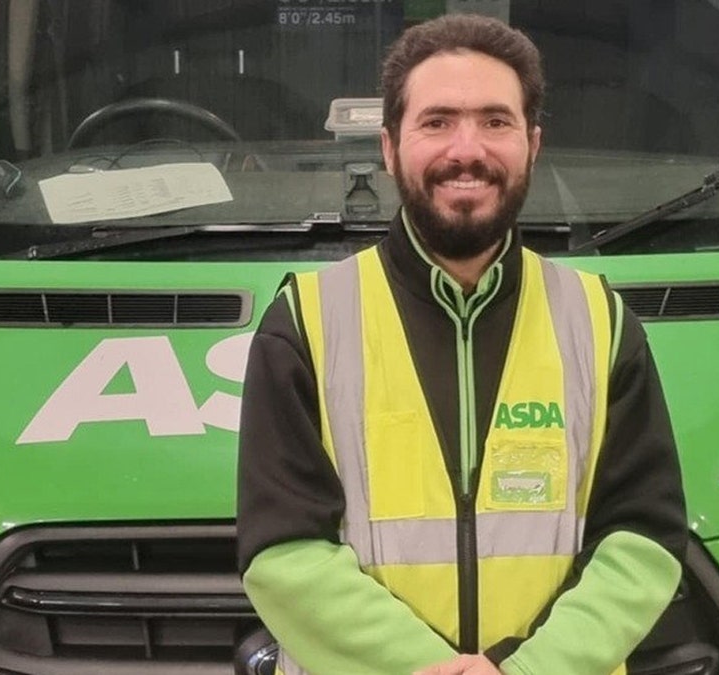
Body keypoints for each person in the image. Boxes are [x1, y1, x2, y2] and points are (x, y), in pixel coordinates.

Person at [237, 14, 687, 675]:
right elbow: (281, 554)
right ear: (390, 147)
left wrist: (526, 668)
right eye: (437, 121)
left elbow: (643, 540)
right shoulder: (304, 323)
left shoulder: (601, 321)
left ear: (532, 144)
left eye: (495, 121)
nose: (467, 148)